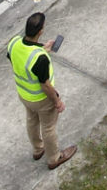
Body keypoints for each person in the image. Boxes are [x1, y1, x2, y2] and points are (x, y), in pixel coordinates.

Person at [9, 11, 77, 170]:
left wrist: (42, 48)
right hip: (41, 99)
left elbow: (22, 59)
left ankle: (38, 149)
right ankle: (54, 158)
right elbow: (45, 85)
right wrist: (57, 101)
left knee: (31, 121)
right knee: (48, 127)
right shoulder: (40, 59)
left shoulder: (13, 43)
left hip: (24, 95)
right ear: (41, 31)